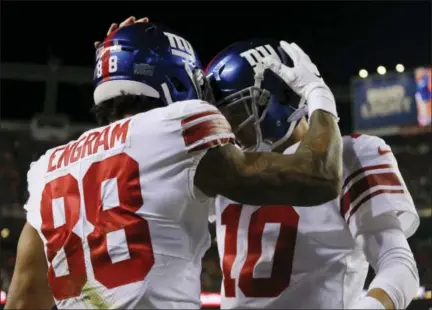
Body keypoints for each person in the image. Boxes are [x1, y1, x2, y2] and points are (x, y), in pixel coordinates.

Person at [5, 19, 343, 309]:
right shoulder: (181, 125)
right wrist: (317, 93)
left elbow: (23, 300)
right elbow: (320, 176)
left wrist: (122, 49)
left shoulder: (47, 167)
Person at [206, 38, 420, 309]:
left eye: (236, 113)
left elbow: (399, 266)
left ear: (277, 99)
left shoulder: (351, 154)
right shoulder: (224, 166)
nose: (229, 128)